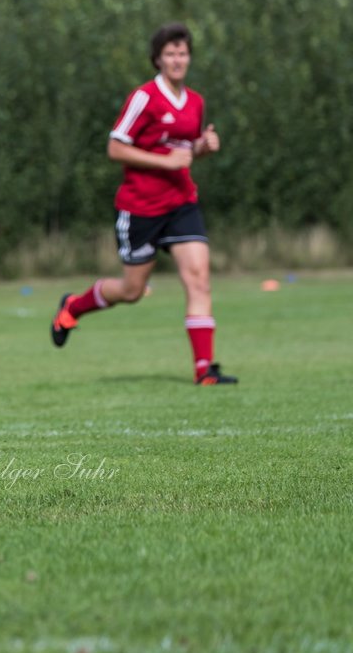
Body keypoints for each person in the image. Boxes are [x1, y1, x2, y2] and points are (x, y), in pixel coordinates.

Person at [51, 22, 236, 385]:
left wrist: (203, 148)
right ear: (158, 59)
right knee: (132, 291)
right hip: (141, 207)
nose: (177, 59)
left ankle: (204, 370)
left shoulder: (195, 102)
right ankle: (73, 307)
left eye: (183, 53)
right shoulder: (144, 98)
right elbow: (115, 147)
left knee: (199, 278)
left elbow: (184, 153)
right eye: (170, 53)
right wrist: (166, 161)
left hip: (182, 202)